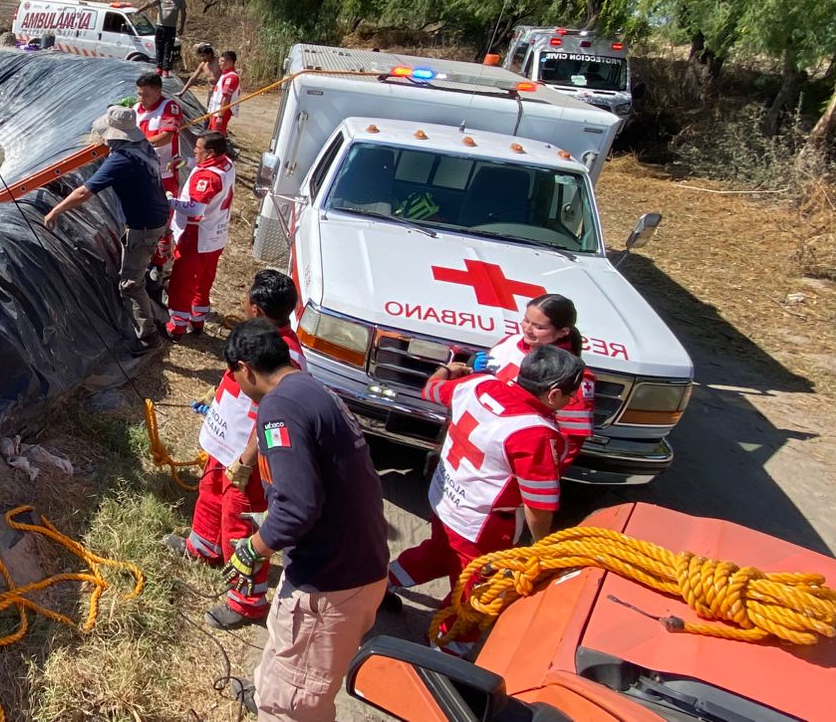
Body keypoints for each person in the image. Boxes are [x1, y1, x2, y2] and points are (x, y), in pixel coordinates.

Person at [220, 320, 389, 721]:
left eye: (233, 375)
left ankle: (276, 702)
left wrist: (252, 548)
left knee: (294, 703)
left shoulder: (277, 409)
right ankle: (268, 691)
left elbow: (297, 508)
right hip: (355, 565)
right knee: (286, 656)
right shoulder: (308, 387)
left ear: (245, 369)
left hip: (330, 582)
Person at [386, 345, 584, 648]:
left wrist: (450, 368)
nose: (571, 402)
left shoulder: (478, 384)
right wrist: (540, 547)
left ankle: (381, 582)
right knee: (473, 595)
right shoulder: (536, 433)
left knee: (438, 552)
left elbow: (433, 390)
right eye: (570, 397)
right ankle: (446, 650)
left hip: (444, 499)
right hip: (481, 526)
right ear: (554, 394)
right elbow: (538, 504)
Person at [164, 270, 305, 629]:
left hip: (249, 457)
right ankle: (204, 546)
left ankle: (247, 601)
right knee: (210, 492)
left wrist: (248, 460)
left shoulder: (283, 354)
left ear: (256, 309)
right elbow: (236, 374)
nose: (242, 301)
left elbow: (274, 413)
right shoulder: (258, 337)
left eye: (246, 297)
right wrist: (215, 395)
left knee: (239, 522)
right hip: (225, 445)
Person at [43, 106, 171, 345]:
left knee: (130, 284)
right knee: (137, 268)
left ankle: (148, 336)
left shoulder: (122, 160)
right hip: (156, 217)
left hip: (144, 226)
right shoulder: (143, 148)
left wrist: (55, 211)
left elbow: (83, 193)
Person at [475, 294, 597, 466]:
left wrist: (539, 473)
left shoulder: (573, 376)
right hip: (472, 444)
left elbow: (570, 442)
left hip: (507, 462)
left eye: (539, 327)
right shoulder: (511, 342)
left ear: (563, 331)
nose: (527, 329)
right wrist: (474, 372)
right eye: (526, 320)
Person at [163, 132, 235, 340]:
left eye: (198, 148)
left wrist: (171, 200)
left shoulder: (207, 177)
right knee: (204, 280)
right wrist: (185, 162)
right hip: (216, 234)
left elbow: (195, 209)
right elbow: (202, 163)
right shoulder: (227, 164)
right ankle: (197, 319)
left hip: (197, 235)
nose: (194, 150)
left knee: (182, 281)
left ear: (210, 152)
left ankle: (176, 326)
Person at [134, 72, 186, 194]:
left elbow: (166, 138)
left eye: (146, 95)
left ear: (158, 91)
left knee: (165, 208)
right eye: (139, 94)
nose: (141, 99)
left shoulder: (169, 107)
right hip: (141, 167)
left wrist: (136, 144)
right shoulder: (136, 108)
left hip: (164, 171)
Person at [137, 0, 187, 75]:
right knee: (159, 47)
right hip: (160, 26)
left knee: (168, 48)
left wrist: (181, 27)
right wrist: (140, 9)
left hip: (171, 27)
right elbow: (150, 4)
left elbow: (184, 13)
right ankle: (159, 67)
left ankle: (166, 69)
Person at [206, 50, 242, 135]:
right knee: (211, 135)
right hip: (215, 111)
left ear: (230, 63)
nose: (220, 64)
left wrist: (220, 116)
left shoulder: (231, 77)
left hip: (220, 112)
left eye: (222, 61)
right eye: (219, 61)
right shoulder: (224, 75)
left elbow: (226, 97)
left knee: (216, 136)